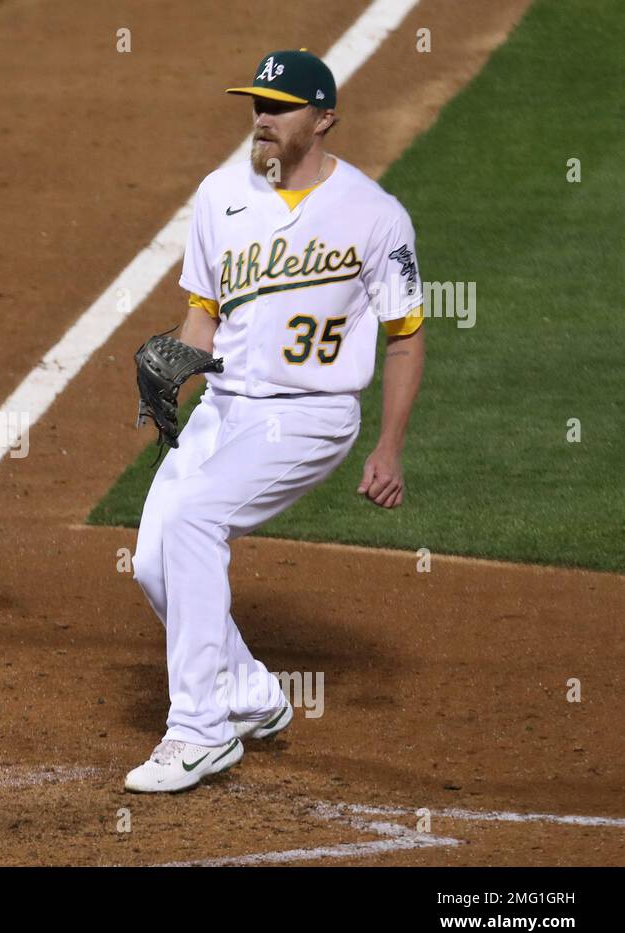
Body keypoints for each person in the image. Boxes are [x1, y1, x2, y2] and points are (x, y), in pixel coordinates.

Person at [125, 51, 426, 792]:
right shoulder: (220, 195)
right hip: (227, 406)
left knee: (193, 519)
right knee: (153, 560)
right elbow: (204, 316)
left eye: (281, 105)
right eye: (258, 102)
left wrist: (389, 446)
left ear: (323, 119)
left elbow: (407, 335)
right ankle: (251, 695)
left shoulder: (376, 215)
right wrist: (177, 374)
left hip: (310, 416)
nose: (263, 117)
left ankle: (199, 733)